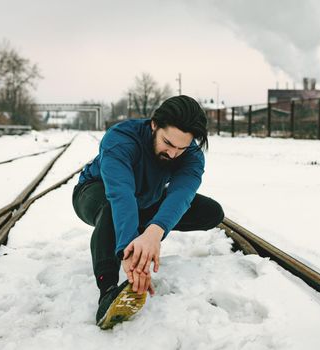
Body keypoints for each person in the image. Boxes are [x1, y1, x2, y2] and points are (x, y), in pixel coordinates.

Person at [72, 95, 224, 329]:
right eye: (168, 143)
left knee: (212, 212)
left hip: (144, 198)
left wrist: (154, 233)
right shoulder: (120, 139)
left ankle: (138, 229)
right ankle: (107, 291)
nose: (173, 153)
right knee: (112, 210)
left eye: (181, 148)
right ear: (154, 124)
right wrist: (129, 252)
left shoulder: (192, 156)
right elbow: (120, 194)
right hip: (96, 190)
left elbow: (181, 195)